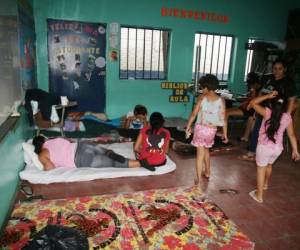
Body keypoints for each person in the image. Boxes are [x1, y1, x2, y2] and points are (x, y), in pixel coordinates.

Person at [240, 58, 297, 161]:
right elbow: (261, 92)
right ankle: (253, 153)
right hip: (263, 110)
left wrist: (287, 115)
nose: (277, 71)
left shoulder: (288, 82)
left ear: (285, 69)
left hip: (277, 114)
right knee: (257, 131)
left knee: (271, 135)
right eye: (275, 68)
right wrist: (253, 106)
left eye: (280, 69)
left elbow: (292, 100)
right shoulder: (268, 78)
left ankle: (266, 156)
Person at [248, 91, 299, 203]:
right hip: (277, 149)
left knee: (261, 170)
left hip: (264, 148)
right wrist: (295, 150)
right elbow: (291, 135)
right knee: (269, 165)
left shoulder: (267, 112)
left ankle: (259, 196)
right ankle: (265, 184)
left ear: (271, 103)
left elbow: (252, 103)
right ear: (285, 105)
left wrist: (267, 95)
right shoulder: (287, 117)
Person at [185, 74, 228, 185]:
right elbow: (223, 118)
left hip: (200, 129)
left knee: (200, 154)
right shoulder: (221, 99)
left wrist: (188, 126)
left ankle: (198, 178)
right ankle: (208, 172)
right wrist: (225, 134)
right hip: (212, 131)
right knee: (206, 150)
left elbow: (194, 114)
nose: (201, 90)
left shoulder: (202, 98)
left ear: (205, 87)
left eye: (201, 87)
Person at [33, 136, 156, 171]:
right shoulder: (54, 140)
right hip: (82, 145)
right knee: (102, 151)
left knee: (113, 163)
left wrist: (44, 167)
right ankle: (107, 151)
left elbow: (50, 167)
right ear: (44, 140)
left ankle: (140, 163)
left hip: (79, 159)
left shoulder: (42, 153)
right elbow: (67, 141)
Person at [225, 72, 262, 142]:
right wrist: (245, 96)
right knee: (225, 111)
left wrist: (251, 92)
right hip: (245, 107)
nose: (247, 80)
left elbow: (253, 100)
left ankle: (224, 133)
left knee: (226, 113)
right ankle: (222, 130)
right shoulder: (253, 87)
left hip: (249, 110)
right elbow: (248, 96)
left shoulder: (257, 89)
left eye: (248, 78)